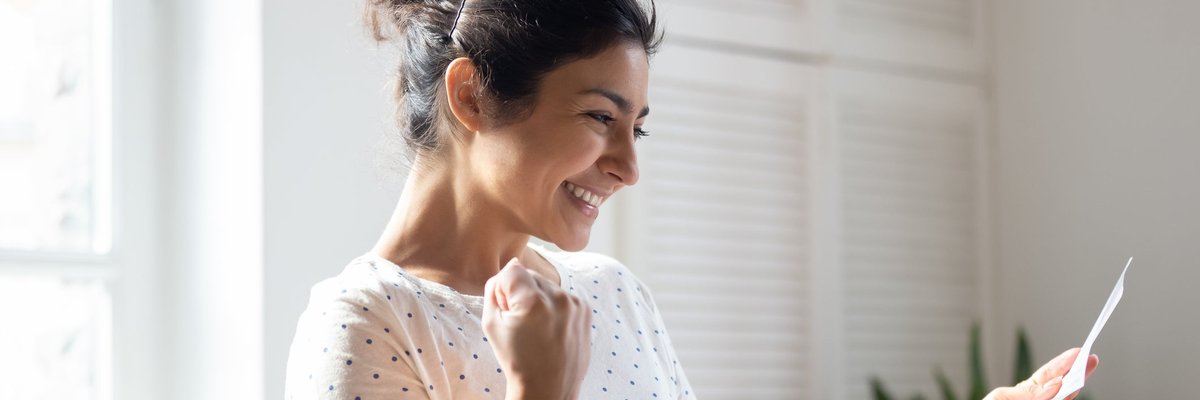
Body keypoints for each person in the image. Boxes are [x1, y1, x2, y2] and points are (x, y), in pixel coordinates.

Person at [283, 1, 1098, 399]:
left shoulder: (606, 293)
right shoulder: (367, 324)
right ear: (472, 97)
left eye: (638, 126)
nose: (627, 166)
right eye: (601, 117)